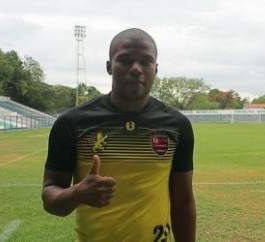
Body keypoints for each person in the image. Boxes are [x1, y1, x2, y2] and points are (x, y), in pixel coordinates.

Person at [41, 28, 196, 242]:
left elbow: (183, 201)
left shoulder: (177, 125)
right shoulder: (73, 123)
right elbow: (50, 198)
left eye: (146, 61)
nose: (136, 69)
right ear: (109, 66)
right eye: (125, 60)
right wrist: (78, 193)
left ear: (156, 68)